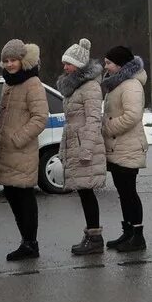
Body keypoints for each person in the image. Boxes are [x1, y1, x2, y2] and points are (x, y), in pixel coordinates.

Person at [0, 39, 48, 261]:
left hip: (21, 150)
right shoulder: (9, 83)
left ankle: (30, 243)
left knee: (24, 196)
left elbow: (40, 118)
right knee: (12, 195)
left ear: (22, 60)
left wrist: (18, 138)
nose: (9, 64)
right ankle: (25, 241)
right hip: (5, 151)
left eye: (13, 60)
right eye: (6, 60)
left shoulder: (32, 83)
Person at [57, 39, 109, 255]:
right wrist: (63, 150)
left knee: (87, 192)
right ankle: (91, 234)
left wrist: (85, 149)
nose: (65, 67)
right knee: (84, 193)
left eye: (68, 64)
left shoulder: (90, 87)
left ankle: (95, 238)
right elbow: (70, 123)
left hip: (85, 148)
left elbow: (93, 120)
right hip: (75, 145)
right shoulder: (74, 88)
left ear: (79, 65)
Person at [101, 45, 149, 252]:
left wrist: (108, 127)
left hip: (128, 146)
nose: (106, 66)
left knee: (129, 192)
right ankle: (128, 231)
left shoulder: (130, 85)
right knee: (123, 192)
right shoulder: (116, 85)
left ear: (120, 64)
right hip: (117, 147)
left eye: (109, 63)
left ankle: (138, 236)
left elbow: (132, 116)